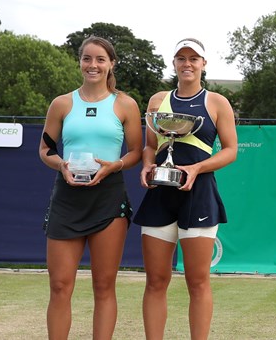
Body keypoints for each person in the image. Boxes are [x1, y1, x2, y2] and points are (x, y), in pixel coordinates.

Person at [39, 35, 143, 340]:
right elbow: (45, 150)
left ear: (111, 64)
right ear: (80, 61)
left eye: (100, 59)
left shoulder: (125, 104)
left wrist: (115, 166)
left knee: (103, 285)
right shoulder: (62, 103)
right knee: (59, 285)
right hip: (67, 198)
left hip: (108, 199)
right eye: (87, 58)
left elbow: (136, 151)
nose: (93, 65)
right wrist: (61, 165)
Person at [134, 37, 238, 340]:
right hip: (159, 196)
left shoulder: (217, 102)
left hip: (200, 195)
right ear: (174, 63)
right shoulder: (157, 100)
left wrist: (196, 168)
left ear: (203, 64)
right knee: (155, 280)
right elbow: (150, 146)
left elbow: (230, 150)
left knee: (198, 281)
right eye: (182, 58)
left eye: (194, 58)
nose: (187, 63)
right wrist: (146, 165)